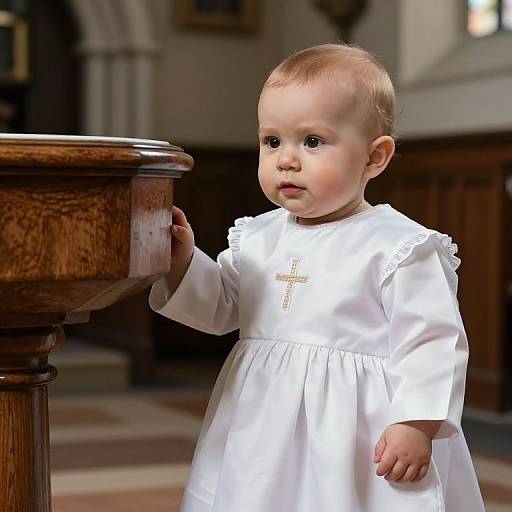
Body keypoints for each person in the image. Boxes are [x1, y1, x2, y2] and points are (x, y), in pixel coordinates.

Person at [149, 43, 485, 511]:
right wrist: (185, 262)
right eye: (272, 141)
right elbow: (222, 307)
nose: (287, 159)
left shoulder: (399, 246)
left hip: (355, 429)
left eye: (312, 141)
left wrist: (417, 423)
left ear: (375, 158)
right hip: (260, 419)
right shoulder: (259, 236)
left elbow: (432, 343)